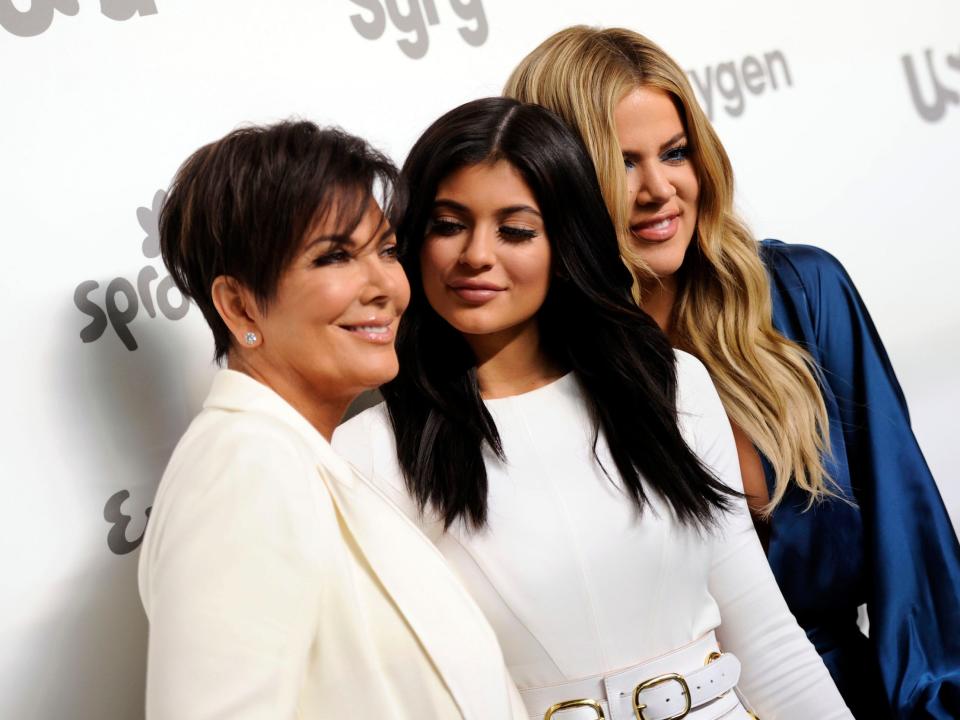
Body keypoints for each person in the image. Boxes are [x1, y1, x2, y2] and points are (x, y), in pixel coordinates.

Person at [334, 97, 852, 720]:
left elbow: (769, 642)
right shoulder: (366, 453)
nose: (476, 254)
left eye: (516, 230)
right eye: (449, 225)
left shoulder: (672, 386)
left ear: (566, 241)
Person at [503, 26, 960, 719]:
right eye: (622, 164)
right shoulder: (532, 380)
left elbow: (915, 557)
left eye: (675, 153)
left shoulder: (803, 295)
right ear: (556, 181)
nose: (660, 189)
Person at [137, 120, 526, 719]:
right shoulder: (246, 466)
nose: (386, 287)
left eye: (388, 250)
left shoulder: (303, 457)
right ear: (240, 304)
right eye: (335, 257)